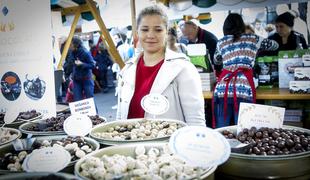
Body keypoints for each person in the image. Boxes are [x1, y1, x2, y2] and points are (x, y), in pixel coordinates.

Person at [116, 6, 205, 126]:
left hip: (168, 144)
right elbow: (120, 117)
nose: (151, 35)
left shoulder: (183, 69)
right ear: (137, 32)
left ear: (166, 31)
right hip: (129, 142)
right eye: (145, 29)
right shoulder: (127, 69)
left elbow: (196, 121)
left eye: (158, 30)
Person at [212, 13, 259, 128]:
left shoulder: (221, 42)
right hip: (244, 88)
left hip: (224, 88)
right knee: (243, 128)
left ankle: (222, 144)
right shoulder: (254, 39)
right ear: (242, 26)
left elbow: (216, 61)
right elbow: (274, 45)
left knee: (222, 128)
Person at [70, 37, 96, 101]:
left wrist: (82, 64)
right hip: (76, 79)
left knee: (90, 100)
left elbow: (93, 65)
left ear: (75, 45)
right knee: (77, 100)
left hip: (86, 79)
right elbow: (70, 64)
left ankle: (94, 111)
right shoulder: (72, 52)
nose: (69, 46)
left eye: (71, 44)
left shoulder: (85, 52)